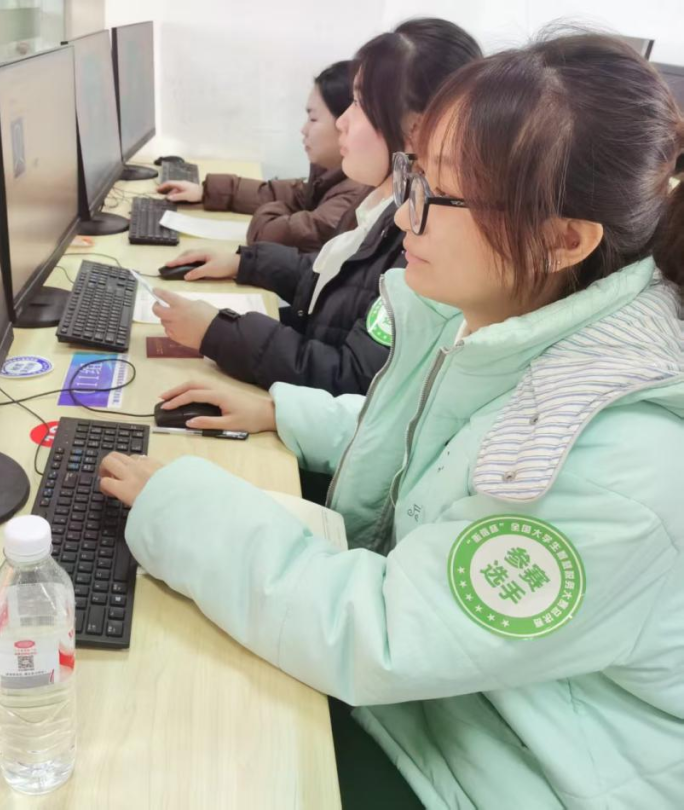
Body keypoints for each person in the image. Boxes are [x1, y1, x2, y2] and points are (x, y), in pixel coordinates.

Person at [101, 33, 684, 808]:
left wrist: (179, 506)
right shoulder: (504, 314)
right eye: (416, 176)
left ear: (562, 240)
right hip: (445, 706)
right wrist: (285, 409)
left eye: (441, 195)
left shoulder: (623, 461)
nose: (406, 213)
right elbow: (438, 444)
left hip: (493, 774)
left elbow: (383, 636)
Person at [151, 19, 482, 396]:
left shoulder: (422, 241)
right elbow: (336, 282)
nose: (342, 121)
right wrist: (246, 263)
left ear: (417, 129)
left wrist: (218, 332)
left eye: (360, 103)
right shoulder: (385, 203)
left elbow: (353, 378)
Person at [158, 61, 371, 253]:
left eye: (313, 119)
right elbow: (285, 193)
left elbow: (268, 234)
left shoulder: (353, 197)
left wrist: (284, 209)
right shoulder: (334, 176)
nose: (304, 129)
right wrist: (207, 191)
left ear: (347, 123)